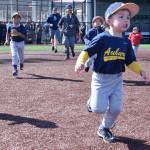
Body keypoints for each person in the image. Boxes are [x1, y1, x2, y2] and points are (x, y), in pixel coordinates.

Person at [74, 2, 149, 143]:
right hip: (100, 80)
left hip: (117, 80)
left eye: (128, 17)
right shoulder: (102, 38)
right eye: (121, 16)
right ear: (109, 21)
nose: (126, 20)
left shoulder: (126, 42)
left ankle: (104, 128)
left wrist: (141, 72)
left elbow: (130, 62)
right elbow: (87, 51)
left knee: (116, 109)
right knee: (98, 109)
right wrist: (80, 62)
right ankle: (91, 103)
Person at [5, 12, 27, 76]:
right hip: (13, 42)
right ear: (12, 19)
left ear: (20, 19)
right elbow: (8, 34)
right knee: (14, 55)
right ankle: (14, 69)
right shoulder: (10, 26)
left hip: (21, 42)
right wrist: (7, 40)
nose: (16, 19)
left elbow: (25, 37)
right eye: (14, 18)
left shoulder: (22, 27)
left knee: (21, 56)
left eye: (18, 18)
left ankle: (21, 63)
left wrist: (18, 33)